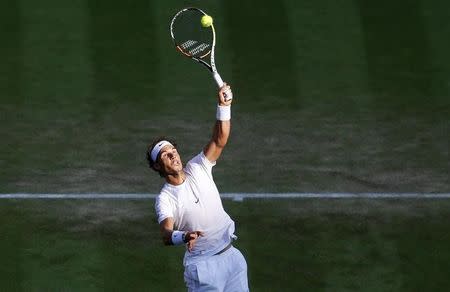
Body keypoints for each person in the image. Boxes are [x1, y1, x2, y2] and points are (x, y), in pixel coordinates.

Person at [146, 84, 249, 291]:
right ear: (157, 165)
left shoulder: (198, 166)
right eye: (166, 154)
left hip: (232, 256)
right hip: (203, 267)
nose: (173, 154)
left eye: (173, 150)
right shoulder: (165, 198)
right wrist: (183, 236)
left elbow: (219, 140)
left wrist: (223, 106)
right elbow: (166, 234)